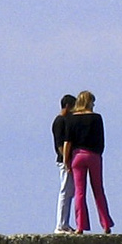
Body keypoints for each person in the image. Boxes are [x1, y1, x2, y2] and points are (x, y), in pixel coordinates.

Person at [60, 90, 114, 234]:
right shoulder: (97, 118)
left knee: (79, 192)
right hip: (93, 156)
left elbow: (67, 142)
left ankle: (80, 226)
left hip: (77, 156)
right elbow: (101, 140)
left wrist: (66, 160)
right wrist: (98, 154)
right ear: (89, 102)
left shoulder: (71, 119)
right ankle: (105, 223)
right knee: (98, 189)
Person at [51, 94, 76, 233]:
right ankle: (61, 225)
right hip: (64, 161)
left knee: (70, 192)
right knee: (65, 192)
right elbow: (60, 144)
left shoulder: (64, 121)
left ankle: (65, 223)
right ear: (67, 106)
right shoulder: (60, 121)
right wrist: (66, 159)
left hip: (66, 160)